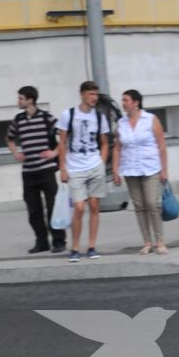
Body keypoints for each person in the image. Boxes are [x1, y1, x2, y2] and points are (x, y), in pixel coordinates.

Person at [57, 79, 116, 260]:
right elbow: (62, 143)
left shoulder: (99, 117)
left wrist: (101, 162)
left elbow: (105, 142)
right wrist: (63, 168)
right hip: (75, 167)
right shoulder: (69, 114)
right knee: (80, 207)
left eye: (96, 94)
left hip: (94, 164)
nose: (94, 98)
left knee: (94, 205)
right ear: (82, 94)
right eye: (91, 94)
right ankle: (75, 248)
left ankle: (91, 246)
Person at [8, 86, 63, 254]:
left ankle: (59, 241)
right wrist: (16, 152)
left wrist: (54, 152)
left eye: (21, 98)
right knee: (33, 210)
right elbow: (9, 139)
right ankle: (41, 242)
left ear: (30, 100)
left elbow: (65, 135)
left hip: (46, 171)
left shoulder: (47, 118)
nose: (19, 101)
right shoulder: (18, 119)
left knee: (53, 207)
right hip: (28, 172)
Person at [115, 89, 171, 255]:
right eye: (123, 100)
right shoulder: (121, 123)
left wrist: (164, 169)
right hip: (130, 169)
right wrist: (116, 170)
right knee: (139, 206)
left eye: (126, 100)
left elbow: (161, 145)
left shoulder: (150, 119)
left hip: (151, 167)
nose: (123, 103)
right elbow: (117, 148)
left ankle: (160, 241)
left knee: (152, 204)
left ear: (136, 102)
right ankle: (147, 242)